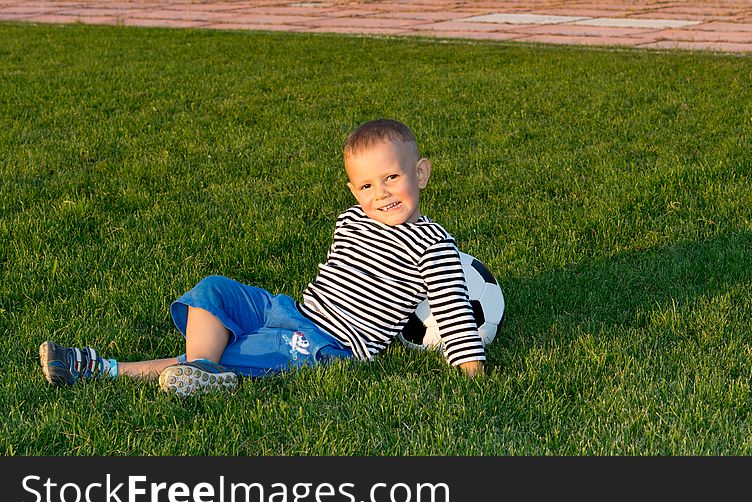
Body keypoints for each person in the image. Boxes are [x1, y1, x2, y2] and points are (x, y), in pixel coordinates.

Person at [40, 119, 486, 396]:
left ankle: (100, 369)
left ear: (421, 173)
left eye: (393, 177)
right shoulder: (350, 218)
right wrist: (280, 313)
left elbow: (454, 311)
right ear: (354, 191)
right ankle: (202, 368)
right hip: (290, 309)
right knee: (214, 289)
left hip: (329, 345)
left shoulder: (433, 244)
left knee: (238, 351)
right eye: (368, 185)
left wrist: (472, 373)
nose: (382, 193)